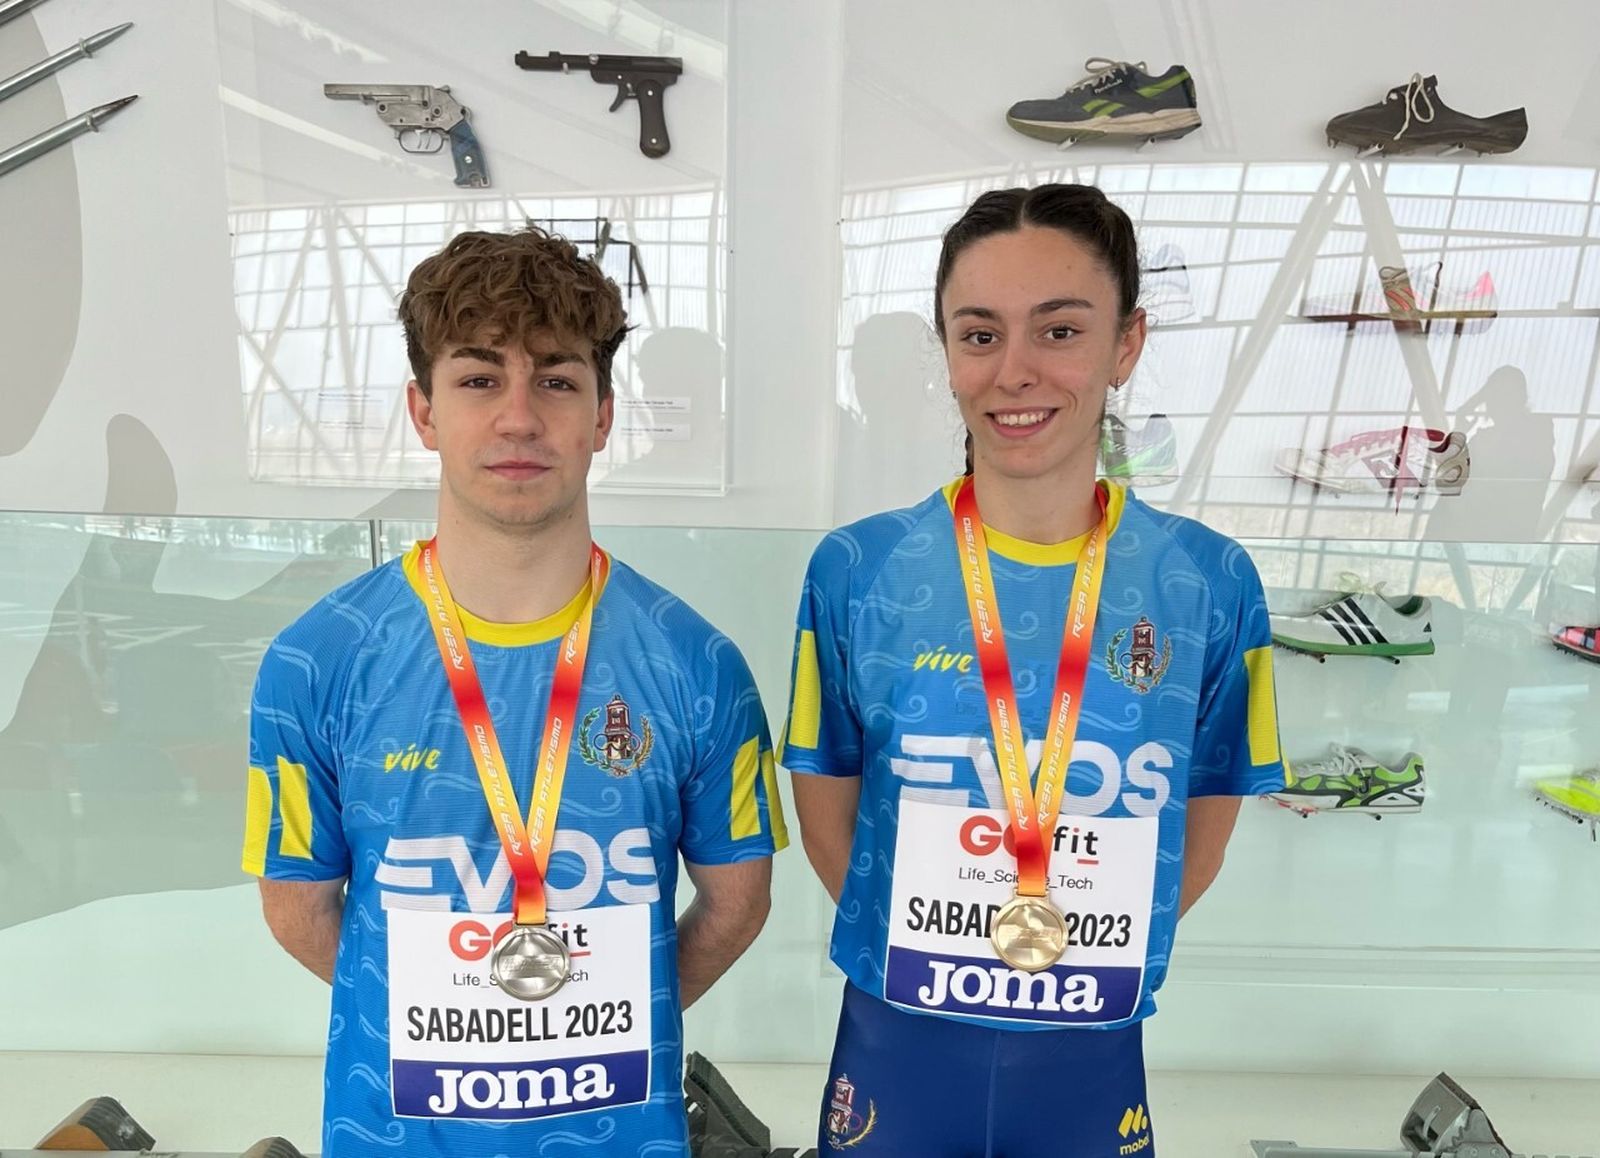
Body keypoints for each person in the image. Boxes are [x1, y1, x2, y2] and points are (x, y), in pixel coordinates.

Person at [242, 227, 786, 1156]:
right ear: (423, 410)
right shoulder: (317, 660)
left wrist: (599, 1017)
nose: (520, 418)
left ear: (604, 414)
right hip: (395, 1134)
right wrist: (445, 1020)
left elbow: (739, 905)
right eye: (480, 378)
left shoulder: (698, 665)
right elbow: (296, 909)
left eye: (558, 380)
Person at [781, 184, 1285, 1157]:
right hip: (900, 1039)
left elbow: (1205, 824)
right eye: (978, 335)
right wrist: (952, 955)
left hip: (1088, 1044)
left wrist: (1062, 955)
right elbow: (827, 815)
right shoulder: (857, 570)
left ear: (1125, 345)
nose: (1014, 372)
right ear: (948, 353)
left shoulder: (1208, 581)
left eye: (1058, 331)